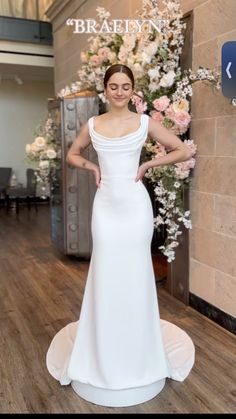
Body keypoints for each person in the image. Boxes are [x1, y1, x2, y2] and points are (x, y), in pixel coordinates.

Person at [46, 64, 195, 408]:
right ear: (105, 88)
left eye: (125, 86)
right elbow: (72, 154)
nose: (119, 91)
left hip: (134, 208)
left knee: (136, 273)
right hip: (106, 209)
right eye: (113, 86)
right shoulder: (93, 124)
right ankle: (101, 350)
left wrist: (146, 166)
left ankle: (138, 351)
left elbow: (183, 150)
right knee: (106, 273)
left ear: (133, 89)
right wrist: (93, 166)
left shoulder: (144, 123)